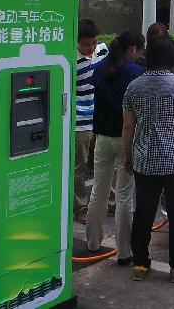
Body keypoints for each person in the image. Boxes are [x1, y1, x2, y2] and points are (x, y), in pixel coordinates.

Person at [123, 35, 174, 283]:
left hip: (145, 161)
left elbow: (128, 128)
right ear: (172, 59)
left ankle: (139, 264)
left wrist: (128, 157)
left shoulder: (134, 87)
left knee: (143, 212)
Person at [86, 29, 145, 266]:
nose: (140, 54)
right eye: (139, 50)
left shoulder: (100, 67)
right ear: (132, 49)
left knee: (98, 190)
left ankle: (92, 243)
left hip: (101, 137)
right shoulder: (135, 72)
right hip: (125, 139)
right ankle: (124, 253)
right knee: (124, 196)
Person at [75, 19, 108, 223]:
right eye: (86, 44)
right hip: (80, 121)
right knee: (80, 166)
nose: (91, 48)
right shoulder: (69, 59)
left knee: (105, 163)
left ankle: (108, 203)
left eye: (94, 43)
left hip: (101, 116)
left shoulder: (103, 50)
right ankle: (80, 207)